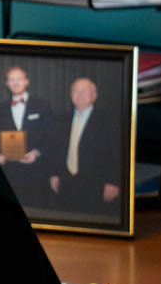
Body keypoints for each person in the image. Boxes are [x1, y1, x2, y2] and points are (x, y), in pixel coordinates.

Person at [49, 75, 122, 212]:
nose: (80, 94)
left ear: (94, 95)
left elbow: (117, 153)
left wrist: (114, 182)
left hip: (97, 185)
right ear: (70, 95)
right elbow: (56, 149)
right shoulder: (61, 119)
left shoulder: (108, 120)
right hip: (66, 183)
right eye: (76, 90)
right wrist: (54, 173)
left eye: (85, 90)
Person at [0, 63, 51, 210]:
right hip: (10, 175)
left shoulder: (42, 105)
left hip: (36, 173)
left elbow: (51, 136)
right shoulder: (1, 108)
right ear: (7, 84)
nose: (15, 82)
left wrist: (38, 152)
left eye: (19, 78)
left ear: (27, 81)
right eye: (11, 79)